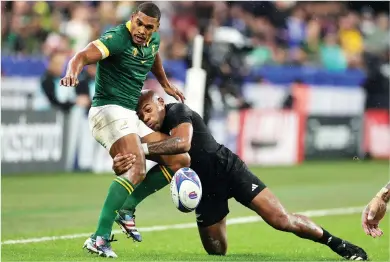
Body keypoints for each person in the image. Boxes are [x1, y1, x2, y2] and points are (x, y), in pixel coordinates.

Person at [111, 89, 368, 260]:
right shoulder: (153, 135)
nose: (146, 117)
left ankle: (337, 244)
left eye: (147, 109)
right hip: (203, 189)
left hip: (229, 170)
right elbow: (162, 165)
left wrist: (140, 149)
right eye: (140, 115)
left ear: (159, 102)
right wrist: (129, 161)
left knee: (281, 220)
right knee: (216, 252)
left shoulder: (177, 110)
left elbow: (183, 144)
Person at [60, 3, 188, 258]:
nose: (141, 30)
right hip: (107, 111)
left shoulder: (153, 40)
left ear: (156, 28)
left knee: (179, 160)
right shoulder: (117, 38)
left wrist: (165, 83)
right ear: (133, 18)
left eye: (148, 27)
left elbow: (153, 55)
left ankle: (126, 208)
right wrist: (72, 72)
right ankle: (99, 238)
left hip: (128, 114)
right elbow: (82, 56)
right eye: (139, 23)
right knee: (136, 168)